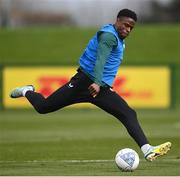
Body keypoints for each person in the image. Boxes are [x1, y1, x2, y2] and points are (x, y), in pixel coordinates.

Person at [10, 9, 171, 161]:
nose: (128, 29)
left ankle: (147, 149)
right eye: (125, 25)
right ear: (117, 21)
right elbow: (101, 59)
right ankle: (28, 91)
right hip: (85, 83)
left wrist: (103, 84)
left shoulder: (118, 38)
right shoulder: (109, 36)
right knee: (43, 107)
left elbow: (107, 64)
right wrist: (97, 82)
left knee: (128, 113)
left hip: (100, 88)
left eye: (131, 27)